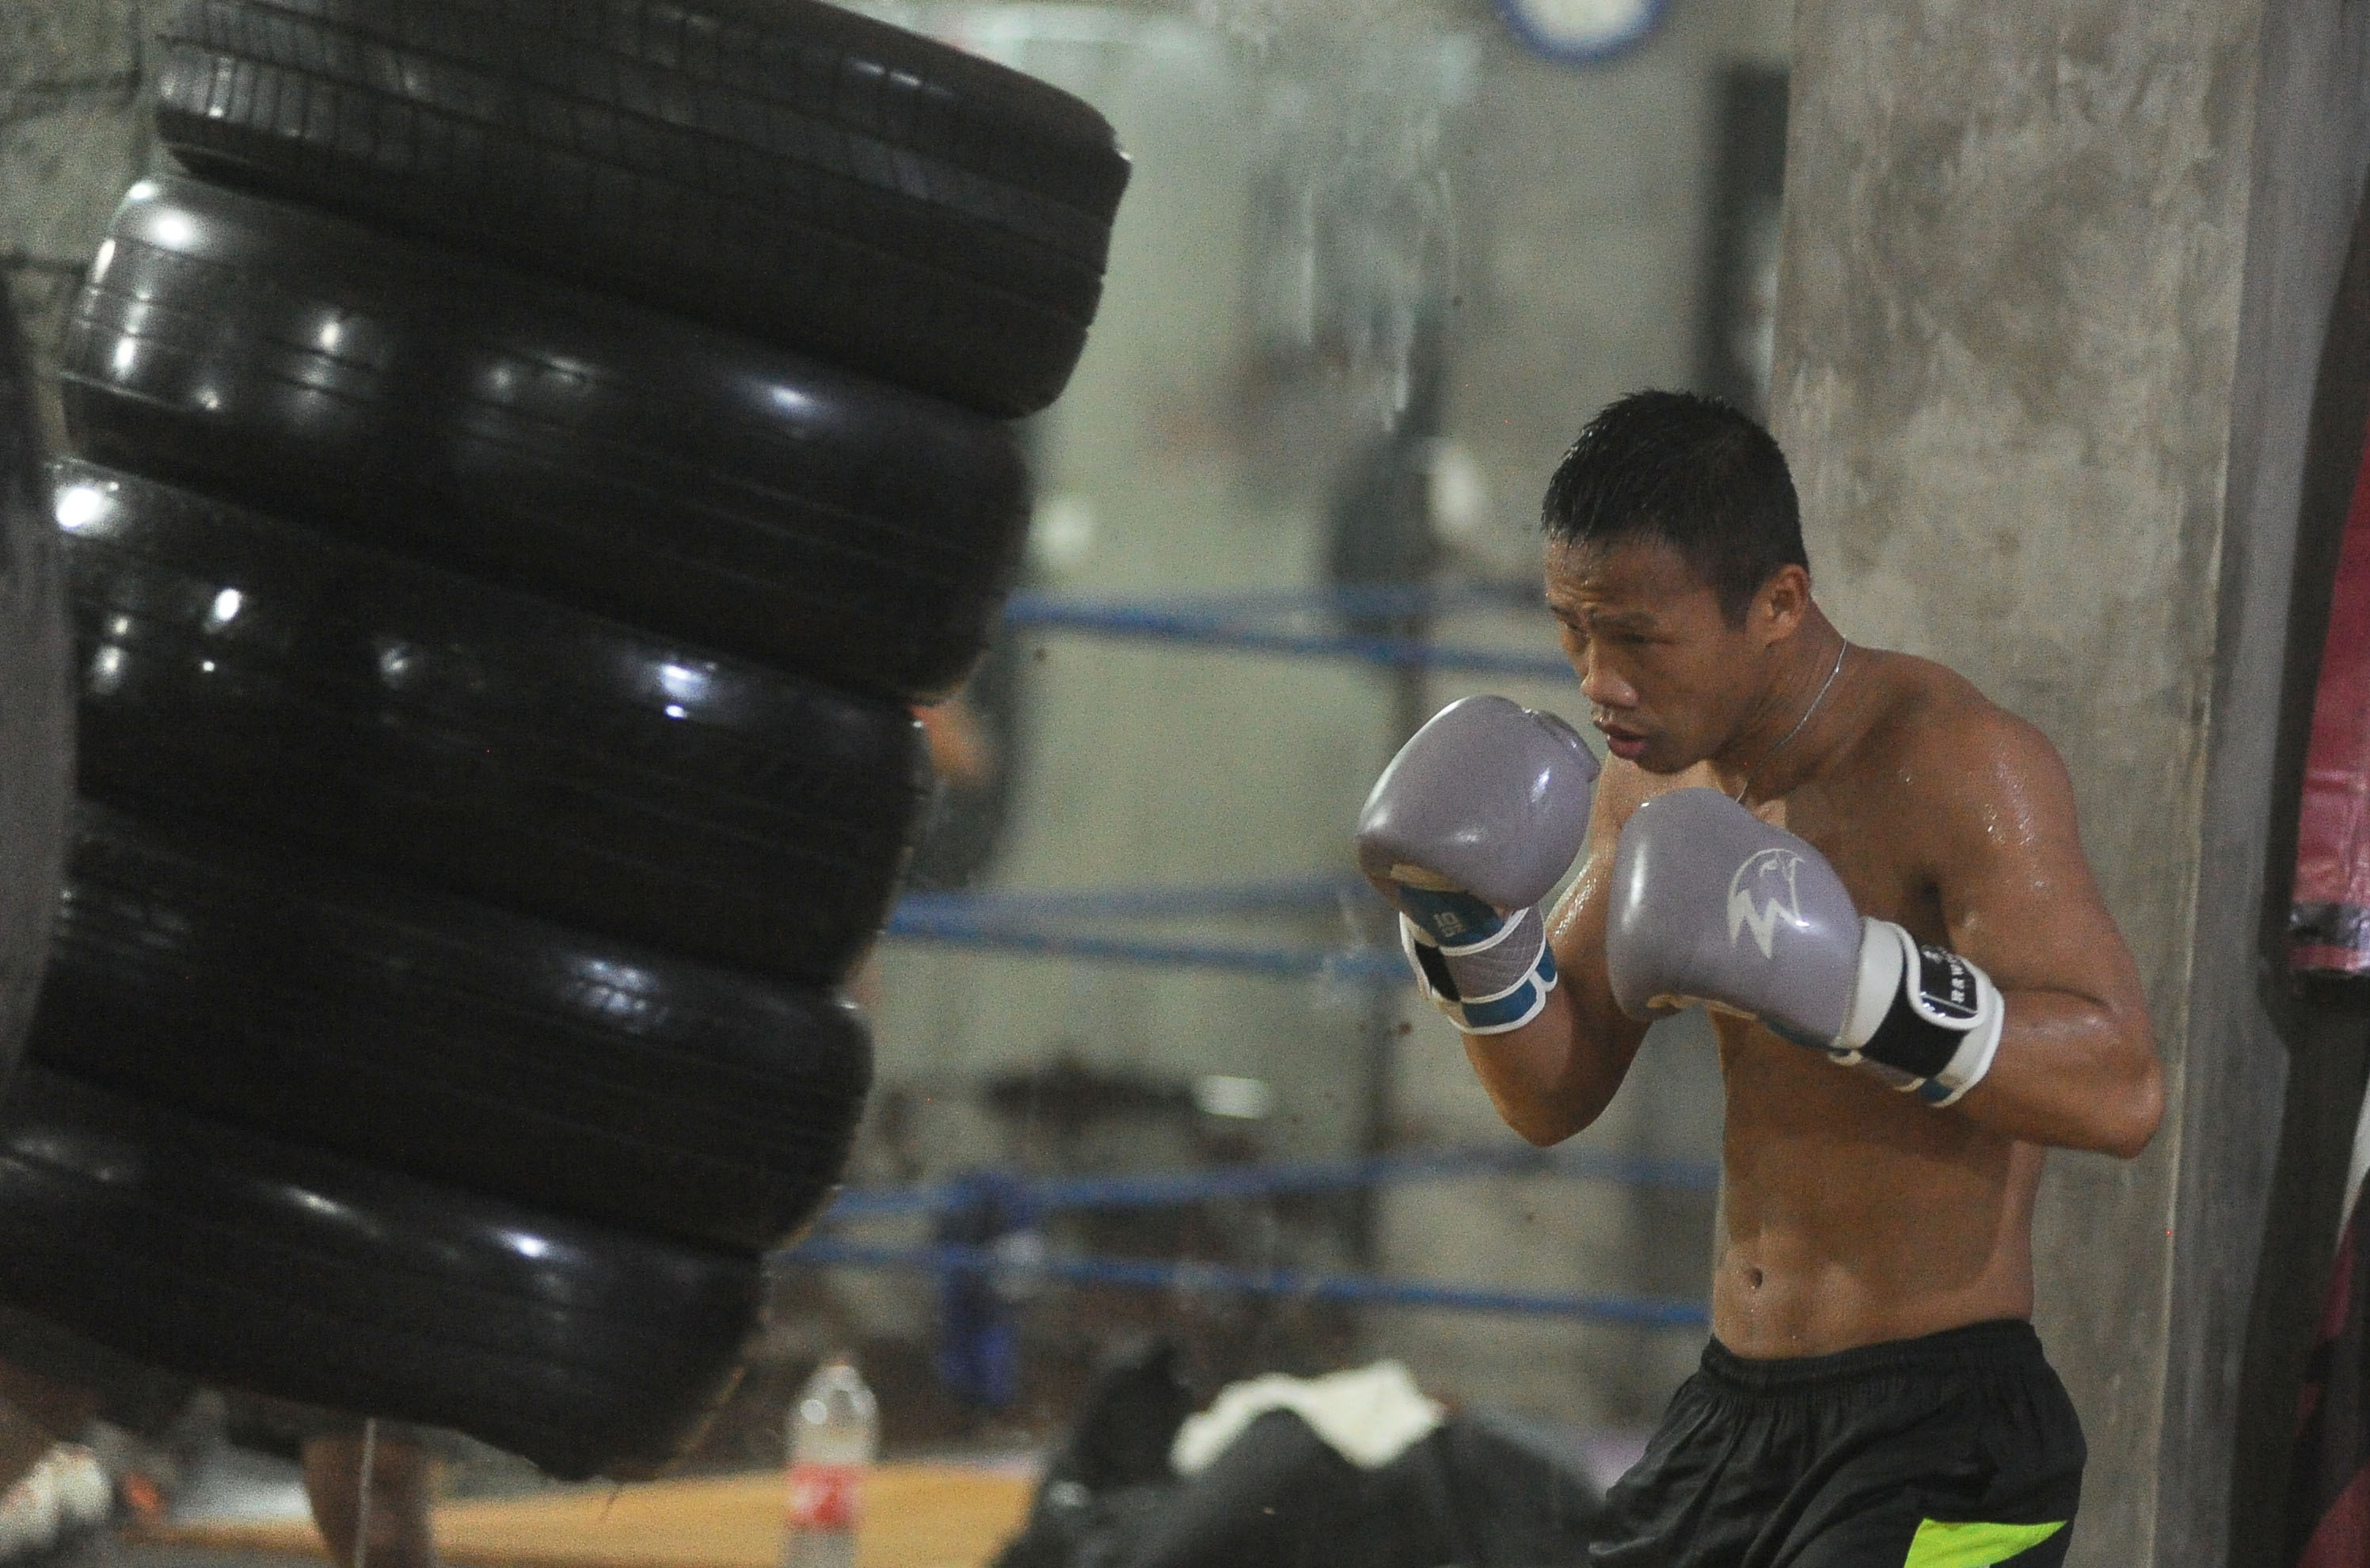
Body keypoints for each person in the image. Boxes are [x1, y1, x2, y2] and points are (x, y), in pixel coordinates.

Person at [1354, 390, 2163, 1566]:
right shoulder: (1651, 785)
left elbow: (2121, 1086)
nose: (1597, 681)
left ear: (1778, 601)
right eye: (1571, 630)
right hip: (1731, 1423)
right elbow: (1550, 1093)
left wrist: (1855, 990)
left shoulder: (1951, 760)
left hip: (1943, 1437)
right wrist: (1467, 933)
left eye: (1635, 636)